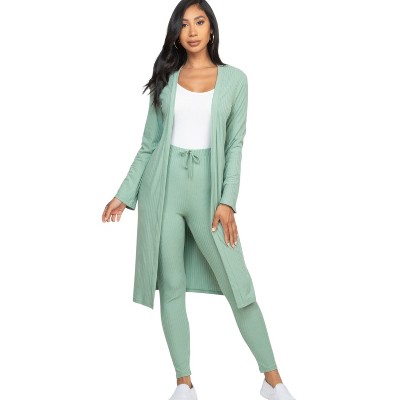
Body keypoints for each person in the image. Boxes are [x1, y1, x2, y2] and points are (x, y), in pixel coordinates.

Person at [102, 1, 296, 399]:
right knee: (171, 285)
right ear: (176, 33)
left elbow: (236, 145)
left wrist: (228, 201)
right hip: (163, 189)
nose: (192, 31)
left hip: (209, 194)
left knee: (239, 286)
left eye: (199, 22)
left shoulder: (235, 80)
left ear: (212, 29)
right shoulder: (166, 79)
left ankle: (272, 380)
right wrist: (125, 194)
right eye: (184, 24)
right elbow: (149, 145)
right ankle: (184, 383)